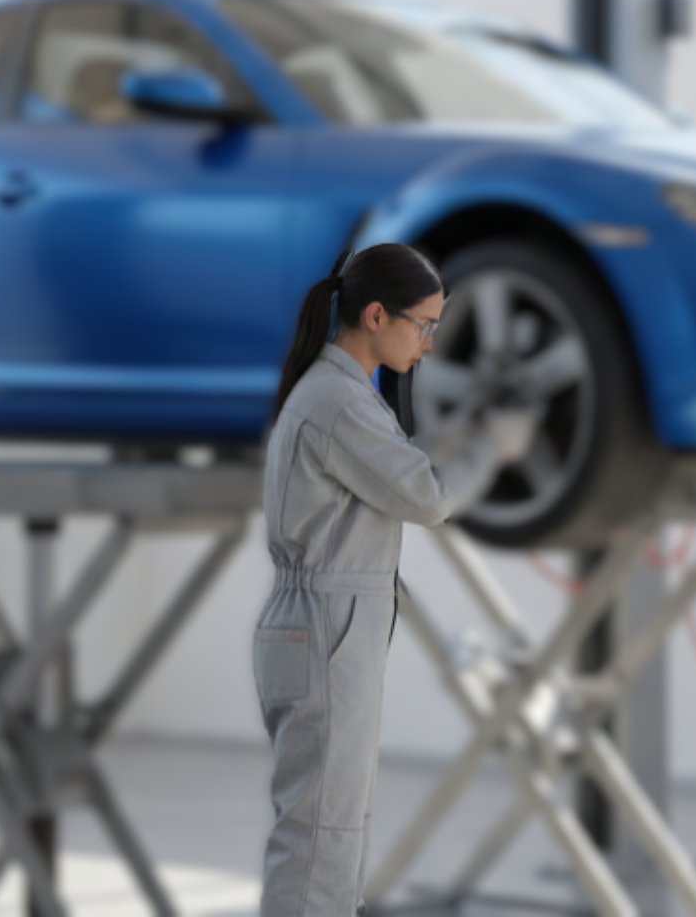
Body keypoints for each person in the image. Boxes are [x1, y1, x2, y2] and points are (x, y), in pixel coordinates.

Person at [254, 243, 535, 916]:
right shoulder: (337, 402)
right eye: (424, 325)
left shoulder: (345, 396)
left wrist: (464, 429)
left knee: (330, 831)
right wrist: (492, 446)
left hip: (324, 622)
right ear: (377, 316)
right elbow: (427, 496)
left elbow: (397, 467)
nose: (431, 344)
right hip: (327, 625)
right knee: (322, 836)